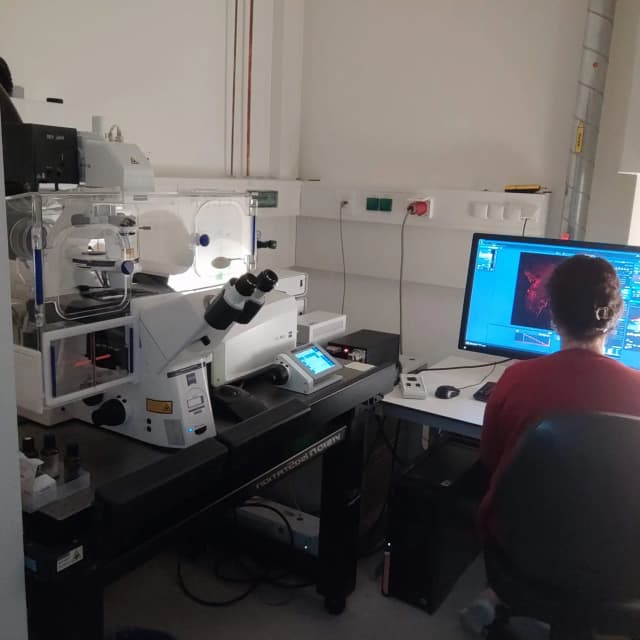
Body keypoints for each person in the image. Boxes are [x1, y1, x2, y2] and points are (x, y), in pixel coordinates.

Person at [461, 254, 640, 635]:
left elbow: (493, 464)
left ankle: (496, 597)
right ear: (615, 318)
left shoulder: (515, 381)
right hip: (623, 561)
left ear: (553, 315)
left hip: (524, 553)